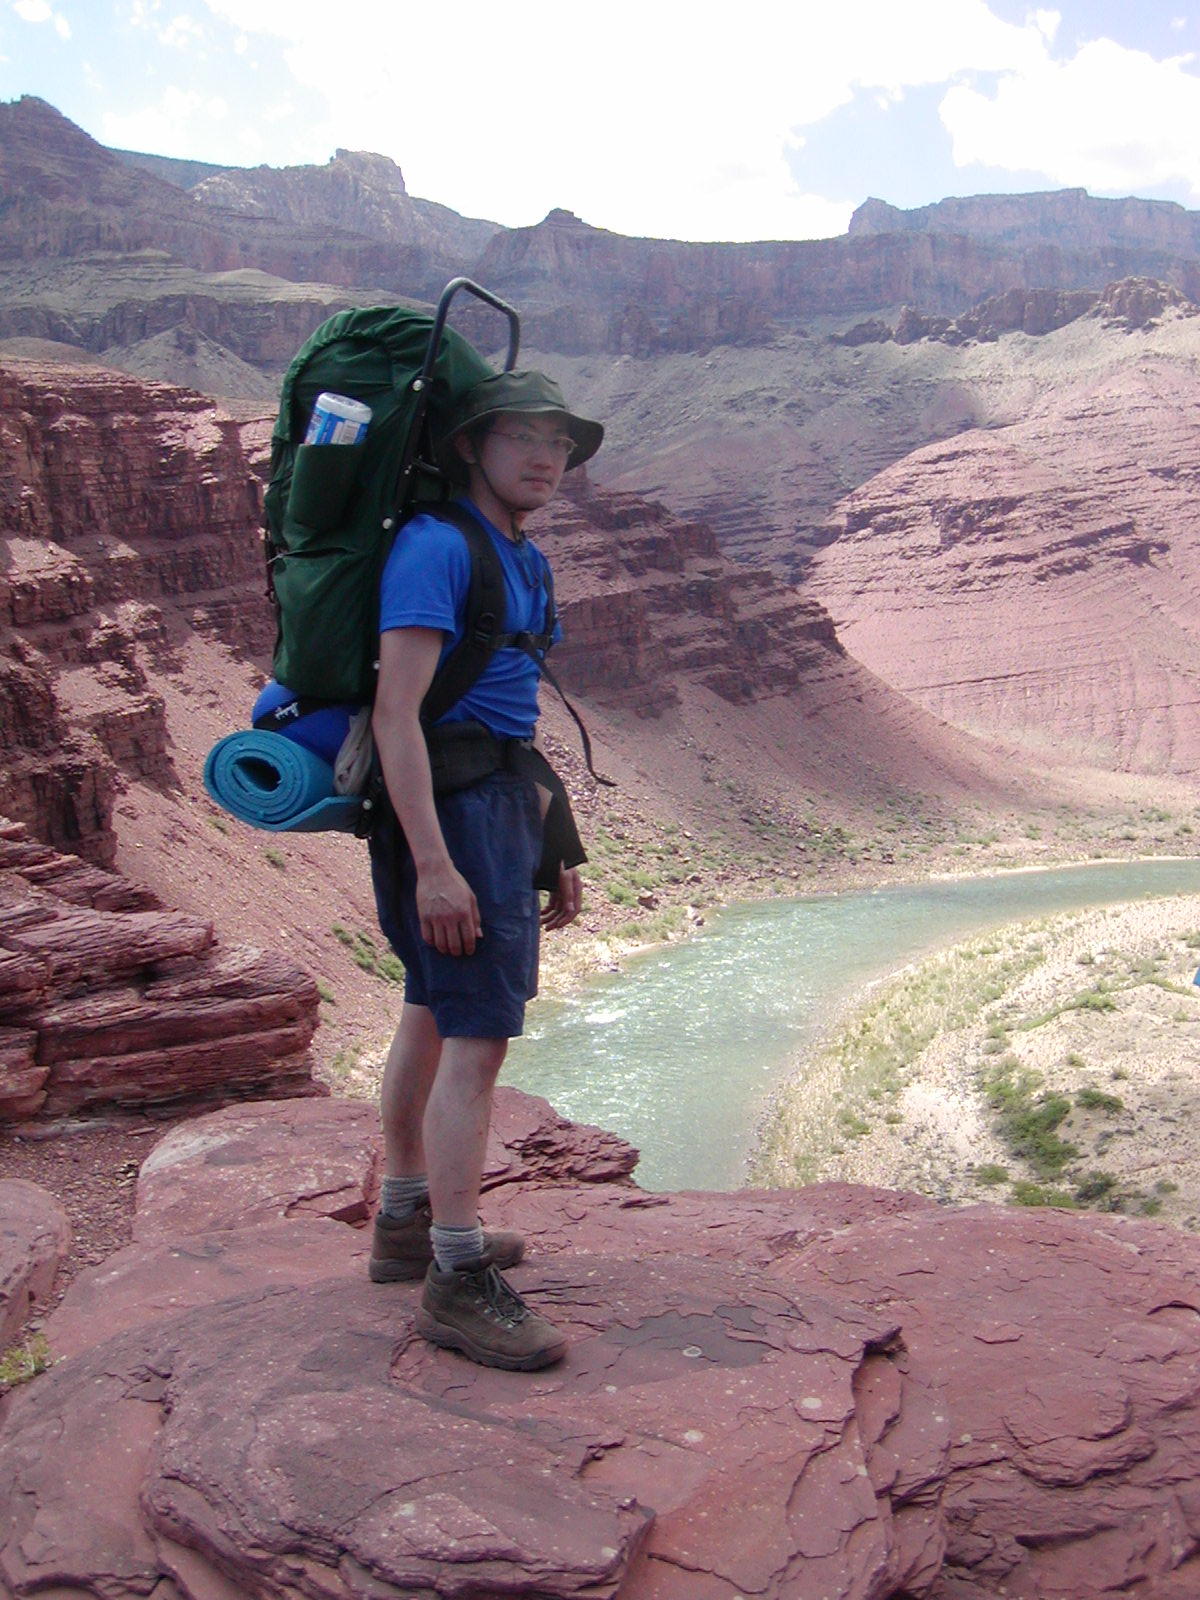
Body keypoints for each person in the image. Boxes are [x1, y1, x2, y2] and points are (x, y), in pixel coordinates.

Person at [366, 370, 603, 1371]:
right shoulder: (438, 548)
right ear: (470, 446)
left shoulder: (525, 557)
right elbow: (397, 717)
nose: (545, 458)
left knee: (430, 1008)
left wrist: (555, 841)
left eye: (558, 442)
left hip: (499, 804)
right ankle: (457, 1279)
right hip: (449, 816)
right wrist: (435, 865)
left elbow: (515, 713)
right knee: (477, 1040)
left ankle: (404, 1222)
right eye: (521, 438)